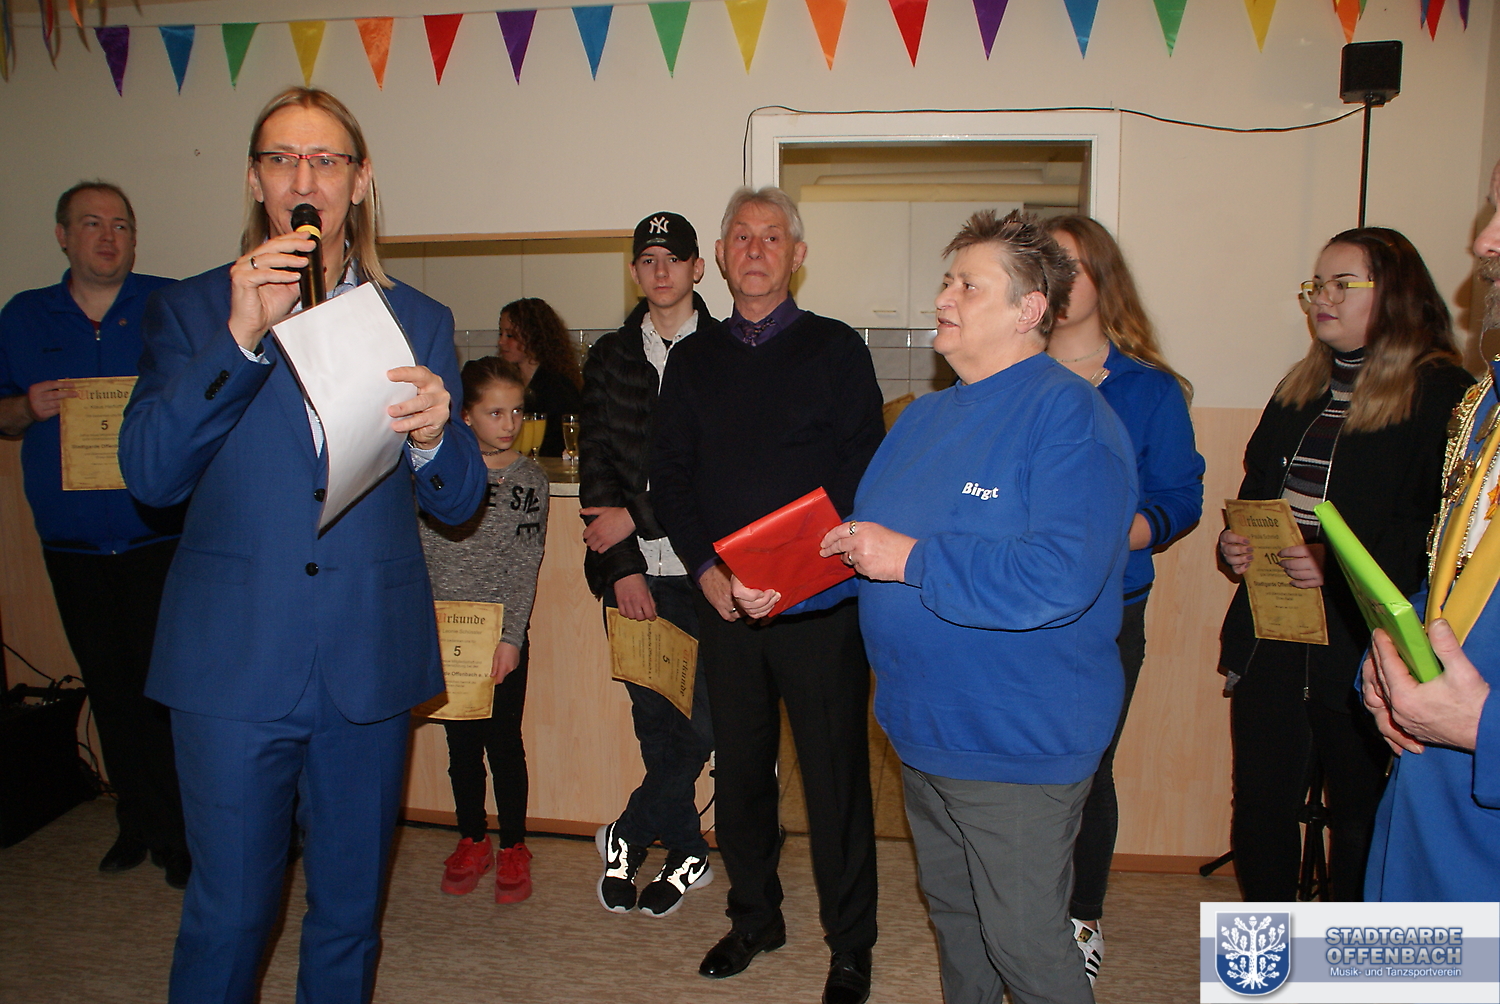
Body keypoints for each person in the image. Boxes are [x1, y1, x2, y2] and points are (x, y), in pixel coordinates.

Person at [118, 87, 486, 1002]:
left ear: (359, 182)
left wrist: (436, 438)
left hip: (368, 659)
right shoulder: (191, 311)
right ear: (256, 181)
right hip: (233, 664)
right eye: (282, 159)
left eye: (325, 160)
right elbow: (150, 475)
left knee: (350, 915)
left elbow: (459, 500)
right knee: (232, 912)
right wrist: (242, 337)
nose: (304, 178)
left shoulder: (419, 318)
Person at [736, 208, 1136, 1004]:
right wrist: (791, 585)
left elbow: (1059, 577)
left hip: (1016, 741)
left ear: (1028, 310)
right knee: (958, 921)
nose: (944, 297)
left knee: (1025, 942)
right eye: (947, 281)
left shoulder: (1070, 417)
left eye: (968, 286)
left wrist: (911, 557)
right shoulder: (920, 418)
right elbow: (868, 550)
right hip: (923, 733)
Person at [650, 186, 883, 1004]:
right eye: (741, 237)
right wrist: (707, 570)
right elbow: (670, 477)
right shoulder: (693, 362)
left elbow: (863, 465)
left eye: (772, 236)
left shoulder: (837, 350)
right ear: (720, 257)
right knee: (742, 773)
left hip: (820, 608)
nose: (755, 249)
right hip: (727, 607)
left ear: (797, 255)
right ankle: (754, 918)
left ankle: (851, 946)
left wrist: (795, 566)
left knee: (834, 779)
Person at [1217, 227, 1472, 903]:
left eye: (1341, 284)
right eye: (1316, 285)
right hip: (1273, 630)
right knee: (1261, 804)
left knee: (1360, 814)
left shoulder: (1442, 391)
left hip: (1365, 642)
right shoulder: (1299, 387)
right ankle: (1271, 955)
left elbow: (1441, 533)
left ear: (1397, 292)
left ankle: (1343, 954)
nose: (1321, 299)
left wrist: (1334, 564)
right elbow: (1256, 492)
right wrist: (1235, 543)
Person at [0, 182, 188, 885]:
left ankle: (181, 833)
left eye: (120, 225)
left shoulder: (169, 305)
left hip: (158, 538)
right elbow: (2, 414)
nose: (108, 237)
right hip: (72, 544)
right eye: (91, 224)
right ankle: (135, 822)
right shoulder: (23, 316)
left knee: (166, 692)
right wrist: (26, 406)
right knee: (109, 689)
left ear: (135, 238)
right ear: (63, 235)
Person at [1041, 216, 1203, 983]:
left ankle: (1081, 914)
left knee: (1087, 764)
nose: (1056, 279)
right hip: (1014, 609)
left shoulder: (1148, 389)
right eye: (1043, 264)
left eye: (1071, 265)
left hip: (1108, 611)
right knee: (1018, 766)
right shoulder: (1005, 376)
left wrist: (1116, 534)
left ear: (1104, 278)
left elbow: (1178, 499)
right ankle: (1021, 907)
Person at [1361, 157, 1500, 901]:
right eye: (1491, 210)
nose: (1484, 242)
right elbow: (1456, 586)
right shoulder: (1485, 407)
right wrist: (1386, 655)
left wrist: (1487, 728)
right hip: (1424, 823)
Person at [580, 212, 718, 918]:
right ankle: (688, 851)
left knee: (704, 726)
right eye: (648, 258)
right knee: (654, 725)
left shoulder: (728, 352)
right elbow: (597, 465)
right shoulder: (609, 357)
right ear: (635, 271)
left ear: (698, 268)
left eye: (674, 257)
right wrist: (624, 566)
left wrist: (636, 515)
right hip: (633, 576)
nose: (660, 270)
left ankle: (629, 831)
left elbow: (720, 471)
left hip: (706, 572)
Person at [420, 357, 548, 904]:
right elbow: (421, 551)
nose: (509, 423)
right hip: (447, 632)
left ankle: (514, 844)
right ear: (465, 415)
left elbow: (525, 562)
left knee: (504, 743)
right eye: (495, 412)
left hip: (499, 635)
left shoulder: (529, 480)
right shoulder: (436, 472)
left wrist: (512, 638)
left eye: (516, 411)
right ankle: (471, 838)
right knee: (461, 746)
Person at [496, 297, 583, 457]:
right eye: (501, 333)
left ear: (533, 337)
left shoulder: (558, 387)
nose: (501, 341)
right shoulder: (505, 381)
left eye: (510, 335)